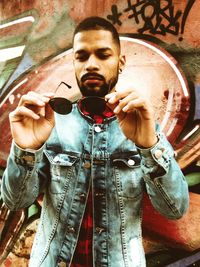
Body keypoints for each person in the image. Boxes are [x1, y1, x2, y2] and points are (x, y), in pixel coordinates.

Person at [1, 16, 189, 267]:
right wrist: (26, 149)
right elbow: (16, 202)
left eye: (103, 55)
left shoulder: (144, 128)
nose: (91, 64)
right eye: (82, 56)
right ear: (74, 63)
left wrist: (149, 146)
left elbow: (175, 209)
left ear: (120, 62)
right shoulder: (51, 125)